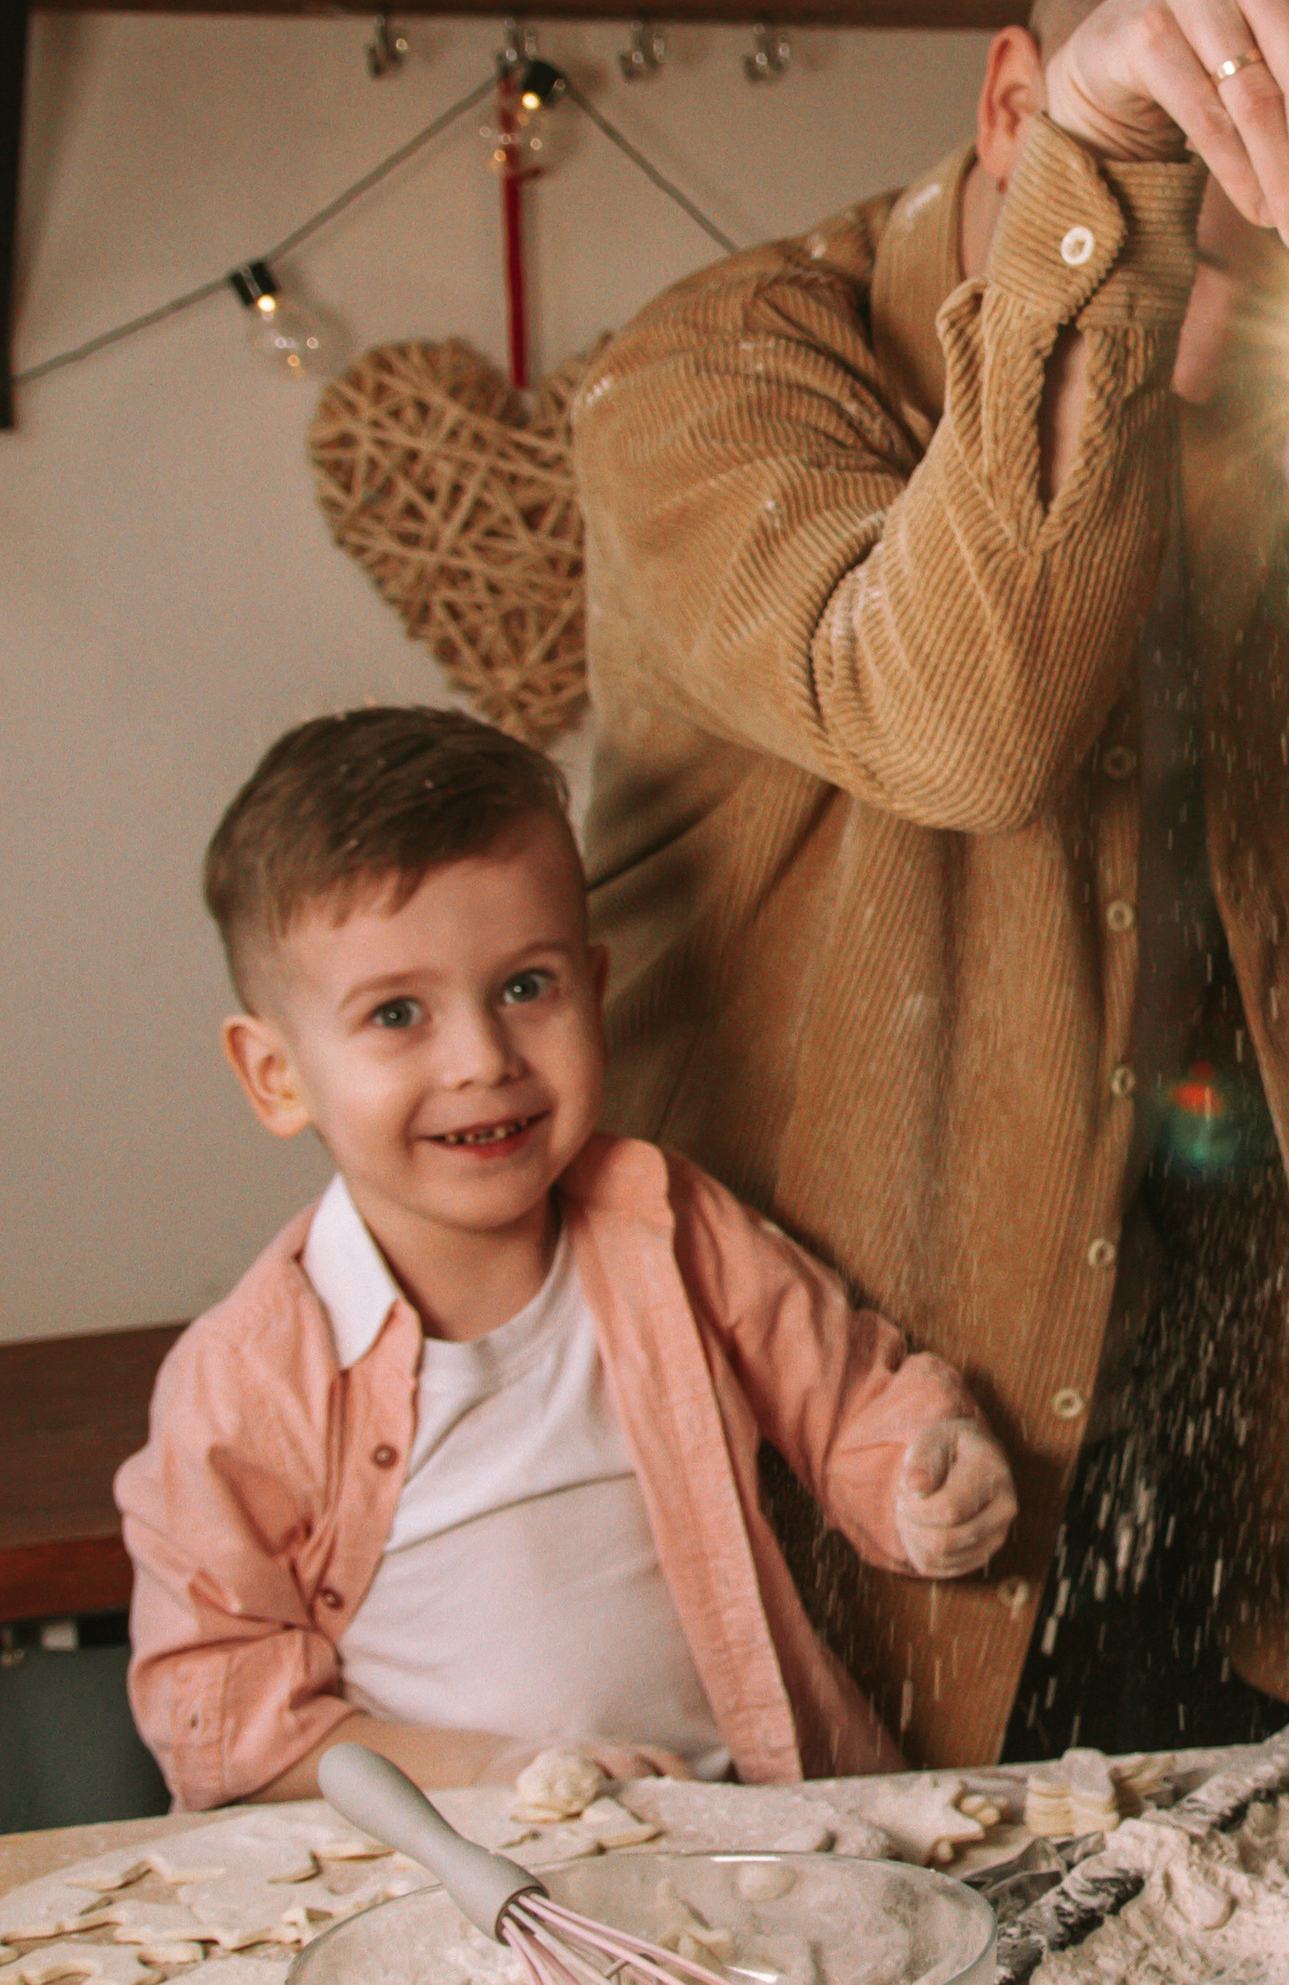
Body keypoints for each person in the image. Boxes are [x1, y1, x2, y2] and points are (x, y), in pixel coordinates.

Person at [572, 0, 1289, 1768]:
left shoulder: (1275, 402)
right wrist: (1109, 198)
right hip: (834, 1506)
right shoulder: (708, 380)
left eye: (1288, 259)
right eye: (1174, 236)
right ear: (1013, 103)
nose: (1213, 333)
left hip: (1225, 1468)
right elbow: (964, 730)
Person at [116, 706, 1016, 1811]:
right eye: (397, 1012)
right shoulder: (247, 1386)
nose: (483, 1058)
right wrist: (496, 1777)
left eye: (525, 987)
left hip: (760, 1832)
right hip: (458, 1891)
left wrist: (926, 1471)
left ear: (594, 990)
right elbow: (232, 1727)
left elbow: (850, 1401)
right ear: (276, 1074)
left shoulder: (671, 1227)